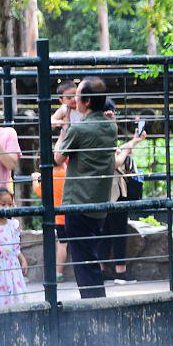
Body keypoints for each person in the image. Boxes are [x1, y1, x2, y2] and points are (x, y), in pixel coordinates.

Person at [54, 76, 117, 298]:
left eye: (77, 95)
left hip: (78, 203)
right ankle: (96, 304)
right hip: (99, 204)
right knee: (90, 258)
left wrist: (64, 128)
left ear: (87, 101)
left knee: (84, 263)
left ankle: (94, 307)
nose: (74, 100)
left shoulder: (79, 130)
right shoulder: (111, 126)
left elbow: (58, 158)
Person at [100, 100, 147, 283]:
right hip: (114, 192)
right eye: (110, 113)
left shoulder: (97, 133)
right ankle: (120, 271)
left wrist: (134, 141)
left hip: (104, 191)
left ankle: (103, 269)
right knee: (118, 231)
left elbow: (116, 153)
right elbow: (117, 161)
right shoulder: (102, 134)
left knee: (105, 231)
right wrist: (133, 142)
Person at [31, 163, 69, 282]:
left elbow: (39, 191)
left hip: (59, 217)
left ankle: (58, 273)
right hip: (71, 213)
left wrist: (35, 179)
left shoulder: (49, 176)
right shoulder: (67, 174)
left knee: (62, 244)